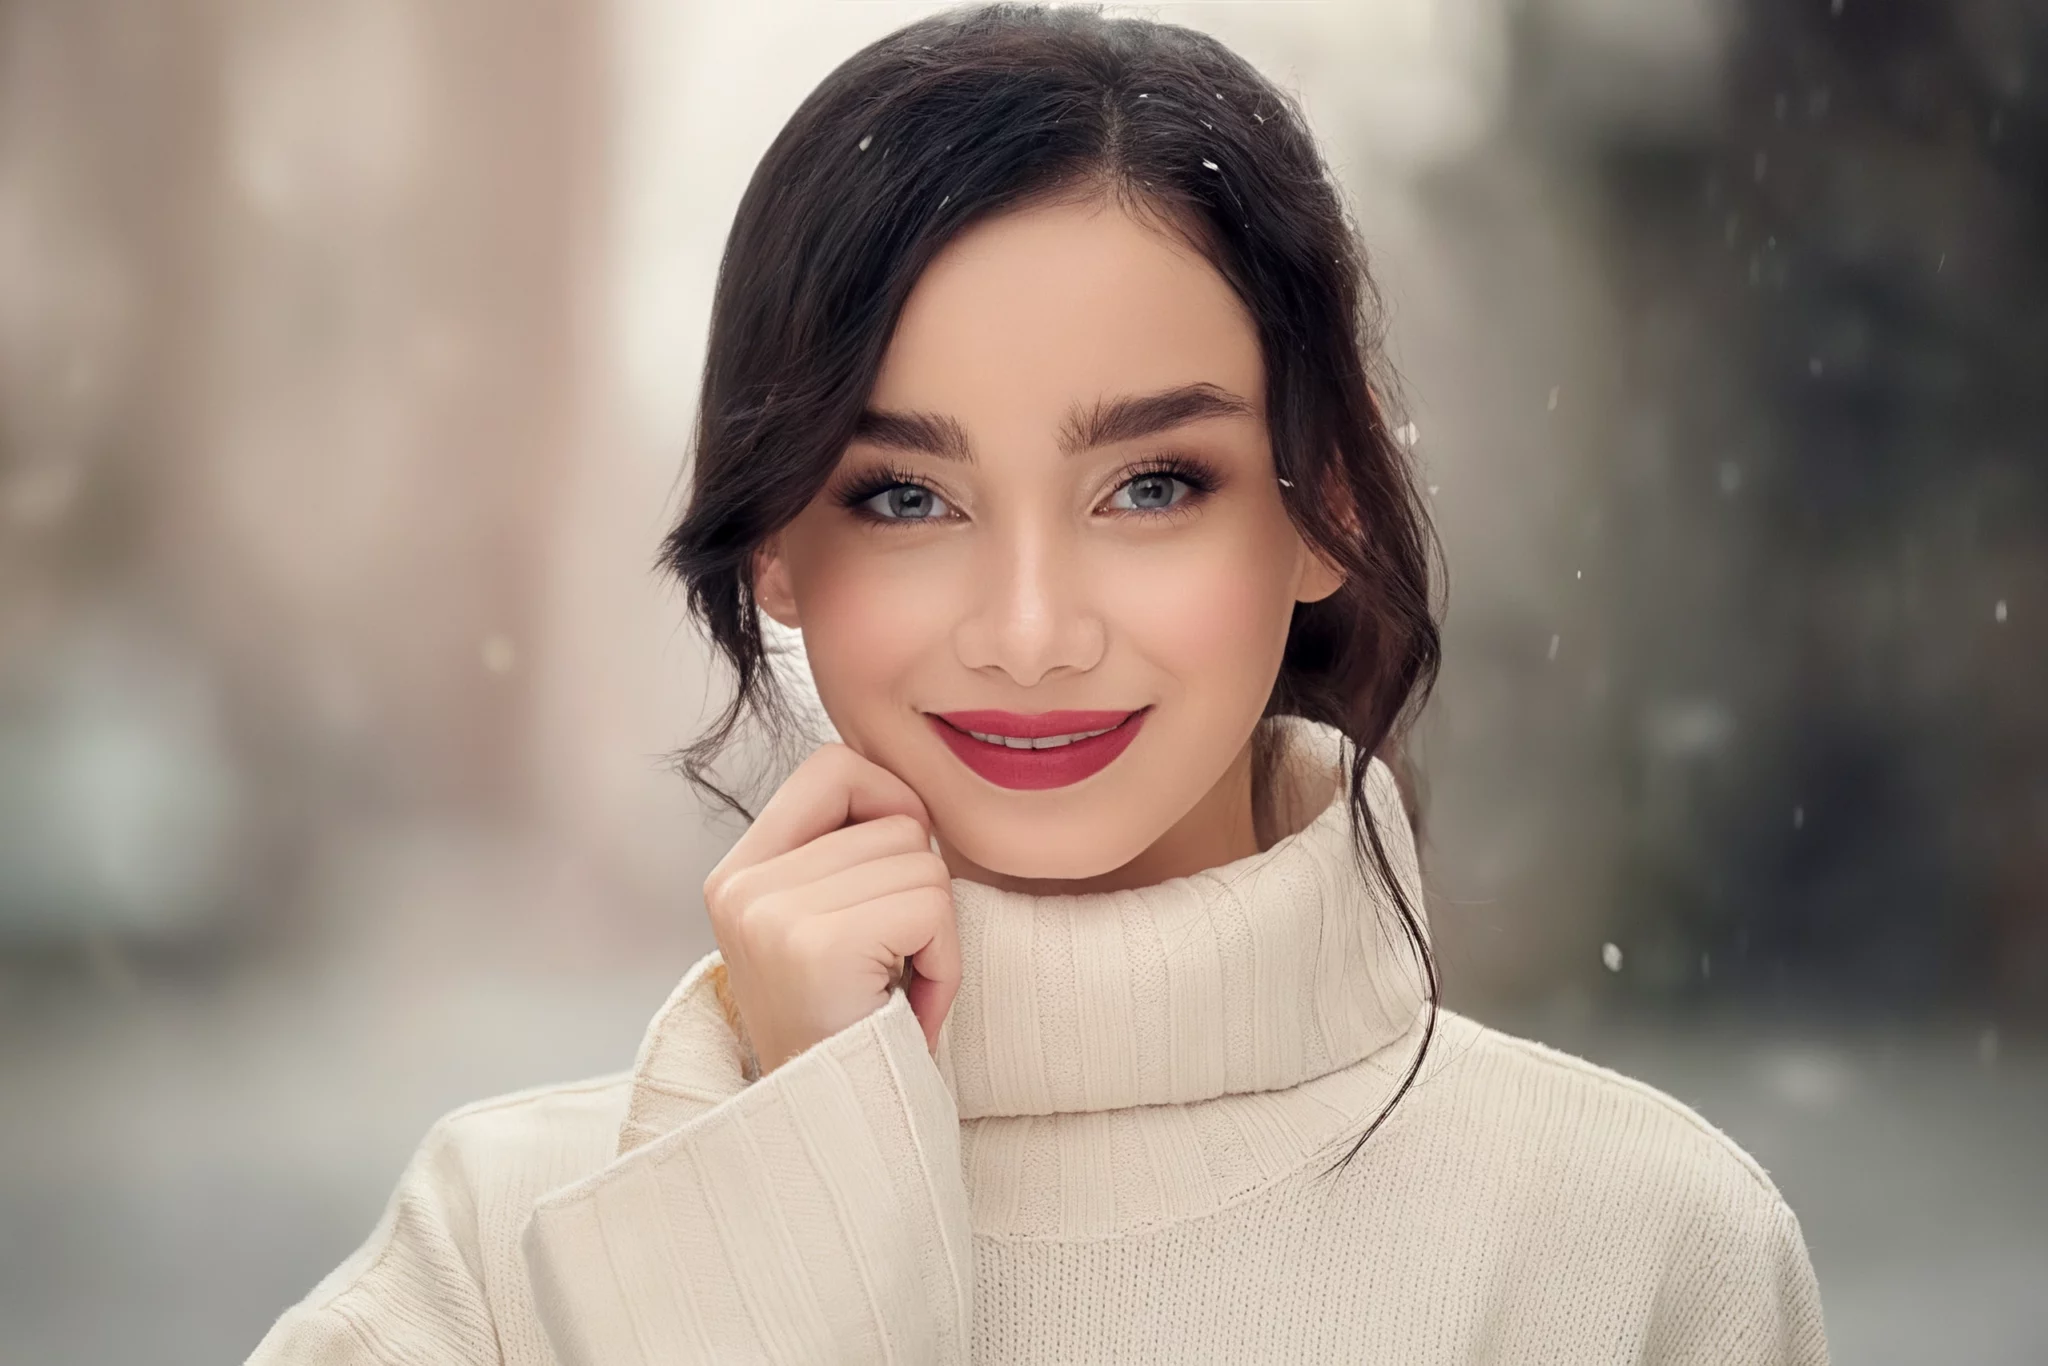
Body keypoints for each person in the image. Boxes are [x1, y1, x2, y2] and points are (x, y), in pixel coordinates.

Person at [248, 5, 1830, 1362]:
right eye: (905, 496)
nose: (1029, 626)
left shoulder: (1634, 1257)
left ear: (1326, 502)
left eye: (1151, 484)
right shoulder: (499, 1259)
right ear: (777, 550)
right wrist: (786, 1202)